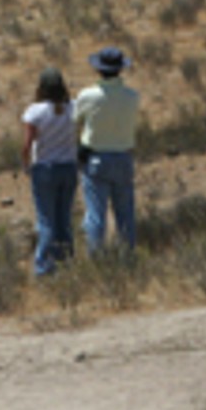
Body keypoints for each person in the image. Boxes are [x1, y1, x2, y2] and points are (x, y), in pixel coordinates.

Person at [73, 46, 140, 254]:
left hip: (96, 158)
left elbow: (74, 121)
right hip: (123, 157)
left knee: (95, 215)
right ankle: (128, 256)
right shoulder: (132, 96)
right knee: (125, 213)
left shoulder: (87, 96)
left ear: (98, 70)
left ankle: (95, 258)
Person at [21, 67, 78, 276]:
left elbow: (27, 145)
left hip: (44, 167)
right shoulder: (73, 107)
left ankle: (44, 267)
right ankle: (66, 261)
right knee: (64, 218)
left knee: (46, 220)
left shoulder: (34, 111)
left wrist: (25, 165)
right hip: (69, 167)